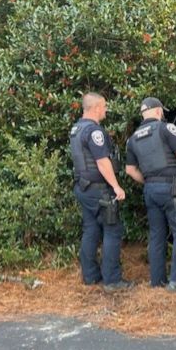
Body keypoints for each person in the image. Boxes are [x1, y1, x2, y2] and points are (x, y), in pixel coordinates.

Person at [125, 97, 176, 293]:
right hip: (171, 188)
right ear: (159, 111)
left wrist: (150, 181)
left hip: (150, 191)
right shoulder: (166, 129)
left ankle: (157, 281)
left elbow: (130, 170)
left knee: (157, 236)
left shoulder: (133, 139)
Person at [70, 92, 133, 292]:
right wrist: (116, 186)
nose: (106, 110)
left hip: (83, 187)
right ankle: (112, 280)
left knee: (91, 229)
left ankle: (90, 276)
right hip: (99, 190)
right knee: (112, 230)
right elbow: (102, 162)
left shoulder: (76, 129)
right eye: (104, 106)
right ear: (96, 107)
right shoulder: (93, 131)